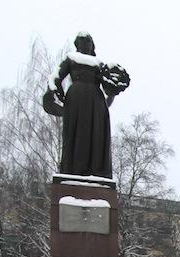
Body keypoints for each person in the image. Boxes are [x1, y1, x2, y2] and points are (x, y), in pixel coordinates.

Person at [47, 32, 127, 178]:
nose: (85, 44)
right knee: (76, 133)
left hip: (96, 103)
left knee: (96, 134)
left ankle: (96, 170)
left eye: (87, 41)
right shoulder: (71, 59)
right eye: (82, 41)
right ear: (77, 45)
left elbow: (108, 86)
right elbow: (56, 77)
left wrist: (115, 88)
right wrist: (54, 92)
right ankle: (73, 169)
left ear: (92, 45)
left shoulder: (99, 64)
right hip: (76, 101)